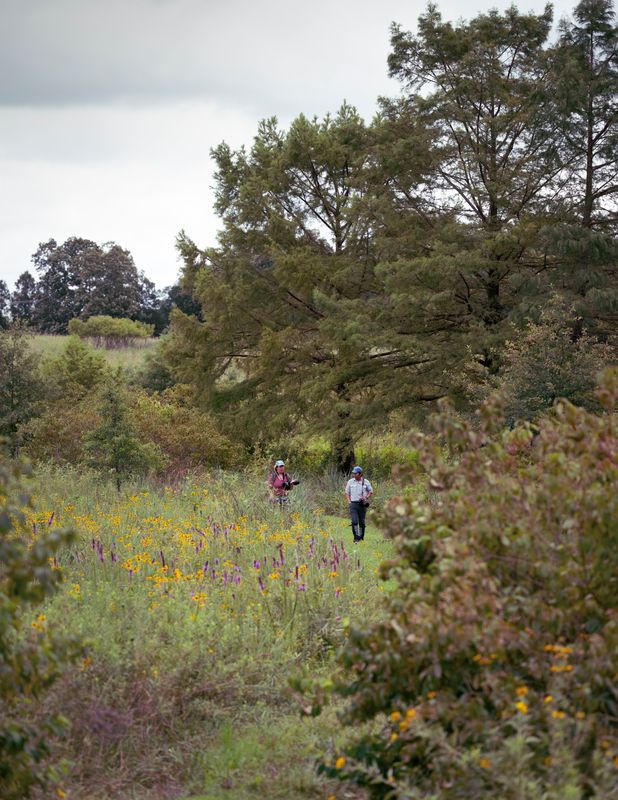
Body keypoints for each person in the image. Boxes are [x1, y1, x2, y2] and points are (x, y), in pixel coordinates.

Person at [345, 465, 373, 542]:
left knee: (362, 522)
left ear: (360, 474)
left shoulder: (366, 482)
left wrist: (366, 497)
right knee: (354, 521)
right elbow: (347, 493)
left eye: (355, 473)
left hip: (362, 505)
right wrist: (349, 502)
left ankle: (361, 537)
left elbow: (370, 491)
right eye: (353, 473)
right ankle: (356, 538)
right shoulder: (350, 481)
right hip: (353, 504)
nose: (354, 475)